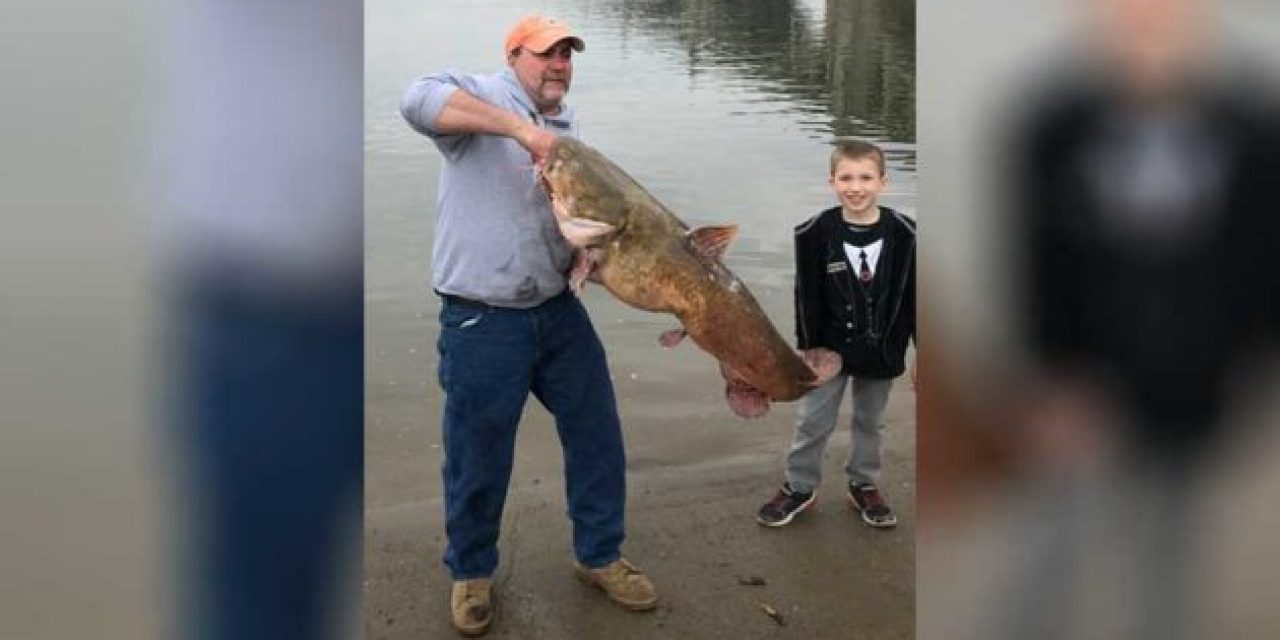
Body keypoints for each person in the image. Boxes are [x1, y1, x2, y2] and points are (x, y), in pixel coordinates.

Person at [398, 14, 656, 636]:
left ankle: (599, 555)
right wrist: (521, 132)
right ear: (514, 55)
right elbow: (415, 101)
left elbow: (558, 218)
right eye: (547, 54)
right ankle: (473, 573)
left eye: (568, 55)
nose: (560, 65)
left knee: (598, 432)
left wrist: (587, 257)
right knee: (478, 453)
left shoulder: (567, 125)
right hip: (481, 319)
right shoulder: (481, 95)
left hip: (556, 311)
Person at [756, 140, 916, 529]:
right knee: (812, 420)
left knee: (870, 422)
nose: (855, 187)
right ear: (832, 181)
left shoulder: (907, 233)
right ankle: (800, 485)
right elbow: (805, 296)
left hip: (883, 348)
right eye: (846, 177)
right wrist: (807, 352)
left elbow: (916, 297)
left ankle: (863, 483)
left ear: (883, 182)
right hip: (828, 349)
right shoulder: (814, 232)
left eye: (865, 177)